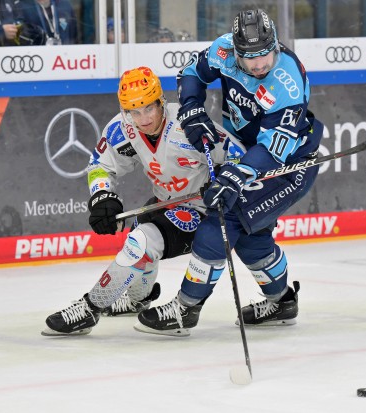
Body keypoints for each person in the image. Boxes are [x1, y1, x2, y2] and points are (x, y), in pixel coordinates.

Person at [134, 9, 324, 336]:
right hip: (244, 152)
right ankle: (281, 302)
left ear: (275, 45)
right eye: (251, 58)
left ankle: (185, 308)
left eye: (266, 54)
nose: (260, 64)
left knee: (224, 217)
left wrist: (236, 176)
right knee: (251, 240)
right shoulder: (224, 50)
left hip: (286, 166)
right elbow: (191, 71)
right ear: (237, 51)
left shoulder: (288, 84)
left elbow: (270, 151)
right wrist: (192, 106)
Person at [42, 66, 245, 336]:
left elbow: (238, 154)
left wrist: (224, 177)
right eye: (134, 112)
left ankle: (91, 309)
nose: (143, 118)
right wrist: (102, 195)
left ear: (161, 101)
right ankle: (139, 299)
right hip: (164, 202)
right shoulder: (122, 128)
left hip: (201, 210)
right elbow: (100, 165)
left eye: (149, 108)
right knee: (142, 233)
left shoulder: (189, 125)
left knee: (143, 241)